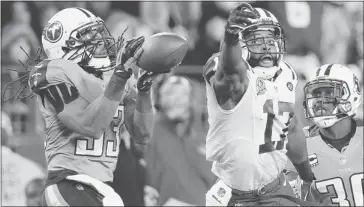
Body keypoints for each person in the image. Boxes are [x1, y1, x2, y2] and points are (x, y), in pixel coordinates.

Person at [4, 7, 158, 206]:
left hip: (103, 187)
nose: (100, 41)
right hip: (68, 182)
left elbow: (142, 135)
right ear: (63, 44)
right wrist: (119, 77)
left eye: (99, 33)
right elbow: (90, 127)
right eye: (89, 35)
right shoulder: (54, 72)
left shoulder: (116, 75)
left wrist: (145, 92)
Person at [203, 3, 316, 206]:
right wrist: (229, 38)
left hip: (276, 188)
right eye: (256, 39)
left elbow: (290, 128)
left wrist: (308, 176)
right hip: (235, 194)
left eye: (271, 38)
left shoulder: (287, 73)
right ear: (241, 43)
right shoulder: (227, 67)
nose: (266, 45)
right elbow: (229, 77)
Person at [285, 64, 363, 206]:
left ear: (351, 95)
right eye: (316, 94)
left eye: (328, 93)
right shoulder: (301, 143)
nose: (320, 101)